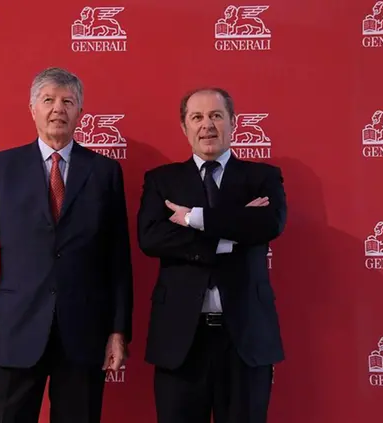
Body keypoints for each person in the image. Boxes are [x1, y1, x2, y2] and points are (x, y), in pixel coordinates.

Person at [0, 67, 133, 423]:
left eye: (68, 101)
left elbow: (118, 260)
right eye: (49, 100)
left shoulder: (104, 172)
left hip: (84, 334)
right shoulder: (0, 167)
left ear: (80, 112)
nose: (58, 108)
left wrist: (118, 331)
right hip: (13, 333)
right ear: (32, 109)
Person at [137, 87, 287, 423]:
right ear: (184, 127)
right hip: (180, 342)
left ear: (233, 123)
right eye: (197, 117)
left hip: (245, 339)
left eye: (216, 116)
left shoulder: (262, 177)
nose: (207, 125)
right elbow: (151, 239)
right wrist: (231, 232)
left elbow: (269, 223)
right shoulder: (162, 181)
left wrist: (194, 219)